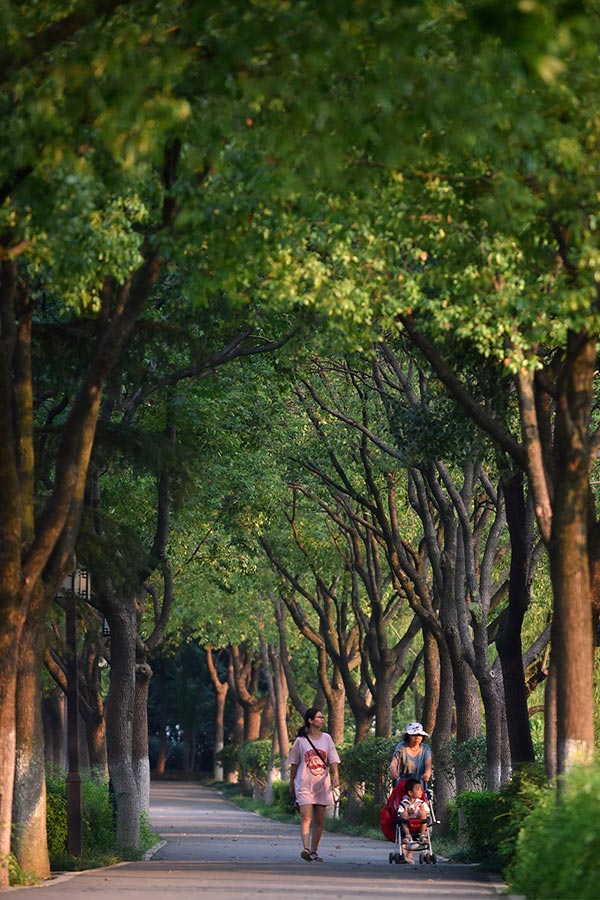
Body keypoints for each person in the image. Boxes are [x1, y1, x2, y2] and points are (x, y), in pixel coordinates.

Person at [288, 707, 340, 862]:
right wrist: (291, 782)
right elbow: (294, 763)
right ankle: (305, 848)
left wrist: (336, 775)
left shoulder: (327, 739)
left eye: (323, 717)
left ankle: (314, 851)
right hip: (304, 784)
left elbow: (333, 759)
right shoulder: (300, 741)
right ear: (310, 721)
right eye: (319, 717)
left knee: (319, 820)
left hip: (322, 785)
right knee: (306, 817)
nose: (322, 719)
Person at [397, 777, 430, 864]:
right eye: (418, 790)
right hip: (407, 825)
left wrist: (421, 810)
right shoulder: (403, 803)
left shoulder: (421, 802)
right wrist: (407, 812)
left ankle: (422, 835)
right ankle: (408, 837)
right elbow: (399, 813)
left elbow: (427, 813)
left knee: (423, 813)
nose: (421, 792)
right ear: (410, 792)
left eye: (421, 789)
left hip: (419, 825)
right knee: (403, 813)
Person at [389, 721, 432, 786]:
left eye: (419, 735)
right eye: (414, 735)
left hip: (419, 786)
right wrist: (393, 771)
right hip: (402, 785)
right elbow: (394, 762)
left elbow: (428, 765)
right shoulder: (401, 747)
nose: (417, 737)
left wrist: (427, 774)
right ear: (408, 736)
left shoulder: (426, 749)